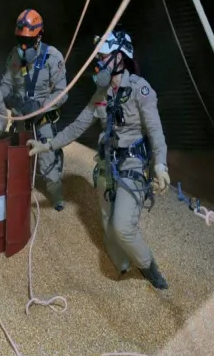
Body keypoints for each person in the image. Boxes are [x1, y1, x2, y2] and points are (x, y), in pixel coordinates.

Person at [26, 30, 171, 290]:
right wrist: (48, 144)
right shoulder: (101, 94)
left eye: (104, 57)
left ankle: (147, 265)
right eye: (99, 57)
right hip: (106, 163)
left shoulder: (140, 89)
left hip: (132, 165)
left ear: (119, 58)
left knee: (122, 225)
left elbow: (156, 130)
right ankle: (121, 264)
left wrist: (160, 165)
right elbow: (77, 126)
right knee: (106, 220)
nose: (99, 62)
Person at [0, 9, 69, 211]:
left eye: (28, 41)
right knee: (17, 158)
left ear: (39, 36)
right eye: (20, 40)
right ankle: (18, 193)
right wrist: (8, 98)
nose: (24, 46)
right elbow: (5, 84)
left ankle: (56, 193)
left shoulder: (53, 57)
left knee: (48, 164)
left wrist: (41, 106)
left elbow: (62, 93)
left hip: (43, 119)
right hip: (21, 117)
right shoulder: (14, 56)